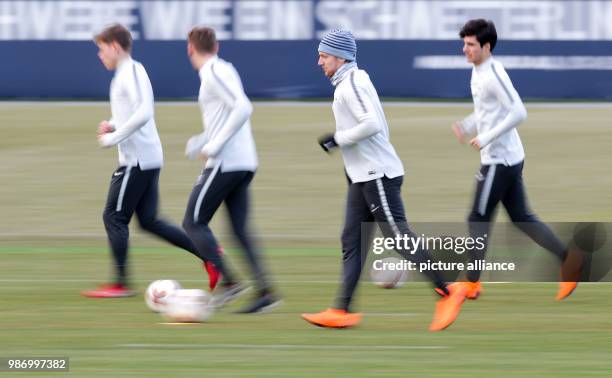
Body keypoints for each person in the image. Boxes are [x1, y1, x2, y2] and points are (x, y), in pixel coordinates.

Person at [301, 29, 467, 331]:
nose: (319, 62)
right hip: (361, 176)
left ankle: (447, 290)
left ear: (340, 57)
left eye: (323, 56)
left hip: (377, 174)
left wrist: (336, 139)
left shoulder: (351, 83)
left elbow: (372, 125)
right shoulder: (350, 80)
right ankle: (341, 310)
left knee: (397, 236)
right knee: (351, 240)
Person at [82, 24, 219, 298]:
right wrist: (111, 124)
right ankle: (210, 254)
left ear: (116, 47)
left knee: (114, 216)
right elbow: (131, 113)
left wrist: (113, 137)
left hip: (137, 161)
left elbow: (144, 112)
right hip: (146, 158)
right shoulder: (127, 73)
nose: (100, 55)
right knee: (149, 221)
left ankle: (120, 284)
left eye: (101, 49)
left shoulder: (130, 71)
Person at [451, 19, 579, 300]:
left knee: (478, 216)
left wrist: (486, 138)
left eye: (470, 45)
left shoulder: (492, 74)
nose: (465, 49)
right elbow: (490, 110)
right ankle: (569, 261)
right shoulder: (479, 70)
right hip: (508, 157)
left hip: (500, 160)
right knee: (521, 217)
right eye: (464, 44)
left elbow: (519, 111)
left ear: (486, 46)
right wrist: (469, 124)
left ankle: (471, 283)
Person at [182, 26, 280, 313]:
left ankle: (230, 283)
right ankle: (265, 292)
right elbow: (226, 115)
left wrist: (214, 146)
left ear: (190, 49)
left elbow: (242, 107)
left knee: (193, 222)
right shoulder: (224, 69)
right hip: (243, 161)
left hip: (226, 162)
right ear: (217, 45)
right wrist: (202, 140)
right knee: (239, 230)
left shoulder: (213, 72)